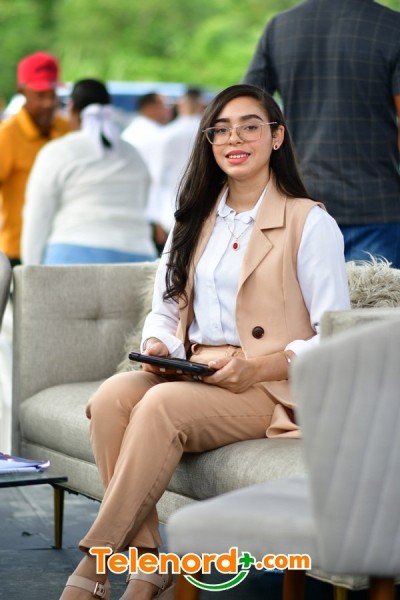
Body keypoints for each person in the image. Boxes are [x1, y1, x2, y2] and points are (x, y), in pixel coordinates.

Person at [58, 83, 350, 600]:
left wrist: (257, 368)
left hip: (272, 386)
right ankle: (149, 562)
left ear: (277, 137)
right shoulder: (193, 219)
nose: (234, 139)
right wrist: (160, 345)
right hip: (197, 370)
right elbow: (166, 308)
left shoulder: (310, 221)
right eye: (222, 130)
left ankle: (93, 563)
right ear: (209, 141)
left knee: (162, 406)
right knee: (110, 398)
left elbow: (334, 335)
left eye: (250, 127)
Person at [243, 0, 400, 267]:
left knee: (302, 296)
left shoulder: (280, 28)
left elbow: (246, 112)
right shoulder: (392, 26)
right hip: (376, 205)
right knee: (374, 294)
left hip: (299, 202)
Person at [22, 79, 157, 265]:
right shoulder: (132, 154)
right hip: (137, 256)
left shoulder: (57, 151)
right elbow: (144, 202)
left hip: (73, 256)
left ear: (72, 108)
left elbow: (38, 214)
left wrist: (30, 268)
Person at [0, 51, 70, 267]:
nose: (49, 103)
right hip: (17, 251)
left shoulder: (66, 129)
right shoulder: (6, 136)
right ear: (22, 92)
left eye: (53, 95)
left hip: (59, 249)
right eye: (40, 95)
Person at [146, 87, 207, 254]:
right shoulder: (211, 133)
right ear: (202, 105)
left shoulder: (165, 134)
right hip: (204, 211)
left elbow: (156, 177)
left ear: (180, 105)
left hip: (168, 211)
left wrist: (155, 218)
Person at [121, 92, 171, 181]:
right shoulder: (155, 134)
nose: (168, 109)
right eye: (164, 105)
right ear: (149, 107)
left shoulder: (131, 130)